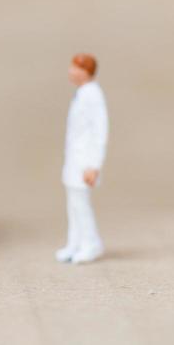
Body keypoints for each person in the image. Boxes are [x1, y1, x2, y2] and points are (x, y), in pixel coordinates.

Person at [58, 52, 108, 263]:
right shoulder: (81, 93)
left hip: (84, 162)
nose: (71, 71)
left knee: (81, 204)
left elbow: (100, 131)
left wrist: (93, 165)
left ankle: (91, 244)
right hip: (74, 160)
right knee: (73, 204)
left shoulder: (92, 94)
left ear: (86, 72)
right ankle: (75, 243)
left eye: (75, 68)